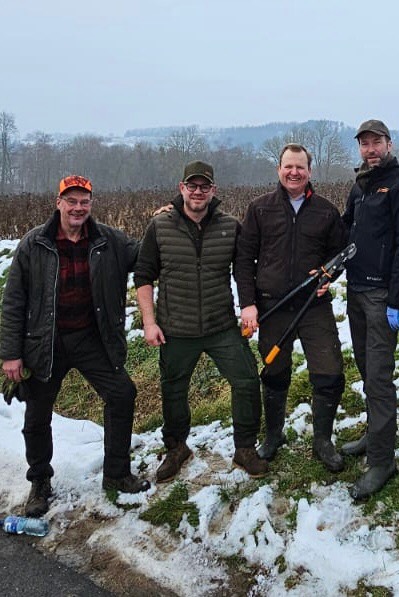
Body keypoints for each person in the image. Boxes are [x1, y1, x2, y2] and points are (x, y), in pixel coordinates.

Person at [0, 175, 149, 518]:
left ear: (90, 205)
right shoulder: (34, 243)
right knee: (37, 416)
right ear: (59, 203)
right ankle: (39, 483)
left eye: (84, 201)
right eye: (72, 201)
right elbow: (13, 301)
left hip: (90, 338)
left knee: (122, 393)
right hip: (44, 342)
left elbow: (145, 256)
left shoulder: (109, 240)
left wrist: (164, 221)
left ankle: (117, 474)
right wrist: (11, 353)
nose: (78, 207)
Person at [135, 161, 266, 480]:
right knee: (174, 388)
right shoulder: (160, 225)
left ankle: (245, 448)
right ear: (181, 188)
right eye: (191, 186)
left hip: (221, 325)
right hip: (175, 328)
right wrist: (149, 322)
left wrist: (250, 307)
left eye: (204, 186)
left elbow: (245, 269)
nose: (197, 191)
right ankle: (177, 447)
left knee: (247, 381)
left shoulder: (230, 226)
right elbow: (143, 276)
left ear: (213, 191)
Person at [235, 144, 348, 472]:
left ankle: (322, 440)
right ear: (279, 169)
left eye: (300, 167)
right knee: (274, 372)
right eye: (288, 167)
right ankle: (273, 435)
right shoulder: (259, 209)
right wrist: (248, 304)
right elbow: (244, 259)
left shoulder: (326, 211)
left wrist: (331, 276)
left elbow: (339, 253)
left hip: (314, 306)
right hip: (273, 305)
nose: (294, 172)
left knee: (329, 371)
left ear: (310, 171)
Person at [341, 119, 399, 500]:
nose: (370, 149)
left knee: (379, 376)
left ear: (389, 144)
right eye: (364, 144)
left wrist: (395, 300)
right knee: (364, 367)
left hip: (380, 298)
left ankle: (382, 460)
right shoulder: (359, 188)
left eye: (376, 143)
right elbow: (346, 235)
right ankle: (374, 433)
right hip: (355, 292)